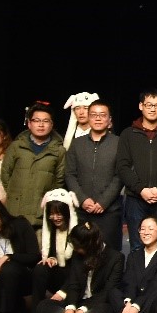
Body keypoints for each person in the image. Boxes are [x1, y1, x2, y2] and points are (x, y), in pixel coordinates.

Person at [31, 221, 124, 313]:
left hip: (99, 303)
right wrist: (70, 308)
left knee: (105, 312)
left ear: (90, 246)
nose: (76, 250)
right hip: (79, 301)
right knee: (43, 306)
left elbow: (108, 291)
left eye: (79, 248)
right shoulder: (78, 254)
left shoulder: (116, 258)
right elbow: (74, 284)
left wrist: (82, 310)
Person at [116, 88, 157, 255]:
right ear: (141, 106)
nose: (152, 109)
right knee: (137, 245)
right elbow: (123, 166)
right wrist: (141, 189)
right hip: (136, 197)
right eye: (149, 105)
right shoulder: (128, 134)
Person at [64, 99, 123, 251]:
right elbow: (70, 174)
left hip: (109, 211)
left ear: (109, 120)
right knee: (82, 252)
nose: (98, 118)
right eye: (94, 115)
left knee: (109, 254)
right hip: (82, 211)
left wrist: (103, 202)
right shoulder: (76, 144)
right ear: (88, 118)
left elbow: (120, 175)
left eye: (102, 115)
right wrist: (83, 200)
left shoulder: (119, 143)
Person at [1, 102, 67, 229]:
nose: (41, 125)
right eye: (36, 120)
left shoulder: (59, 151)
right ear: (29, 124)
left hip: (41, 210)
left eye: (46, 121)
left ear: (52, 125)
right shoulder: (16, 146)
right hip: (15, 209)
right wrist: (15, 193)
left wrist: (46, 198)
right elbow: (5, 173)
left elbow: (59, 180)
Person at [32, 189, 79, 310]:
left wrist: (62, 292)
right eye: (51, 214)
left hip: (74, 279)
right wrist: (51, 258)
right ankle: (36, 311)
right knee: (40, 268)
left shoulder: (79, 231)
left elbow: (79, 268)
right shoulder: (51, 230)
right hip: (58, 274)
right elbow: (52, 253)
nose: (55, 218)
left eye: (59, 214)